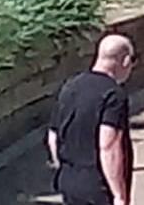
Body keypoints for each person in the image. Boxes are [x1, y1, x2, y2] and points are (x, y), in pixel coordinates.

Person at [49, 34, 135, 205]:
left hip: (70, 179)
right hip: (98, 185)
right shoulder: (113, 95)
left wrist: (64, 167)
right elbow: (108, 145)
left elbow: (53, 136)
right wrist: (118, 194)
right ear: (125, 61)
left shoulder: (70, 87)